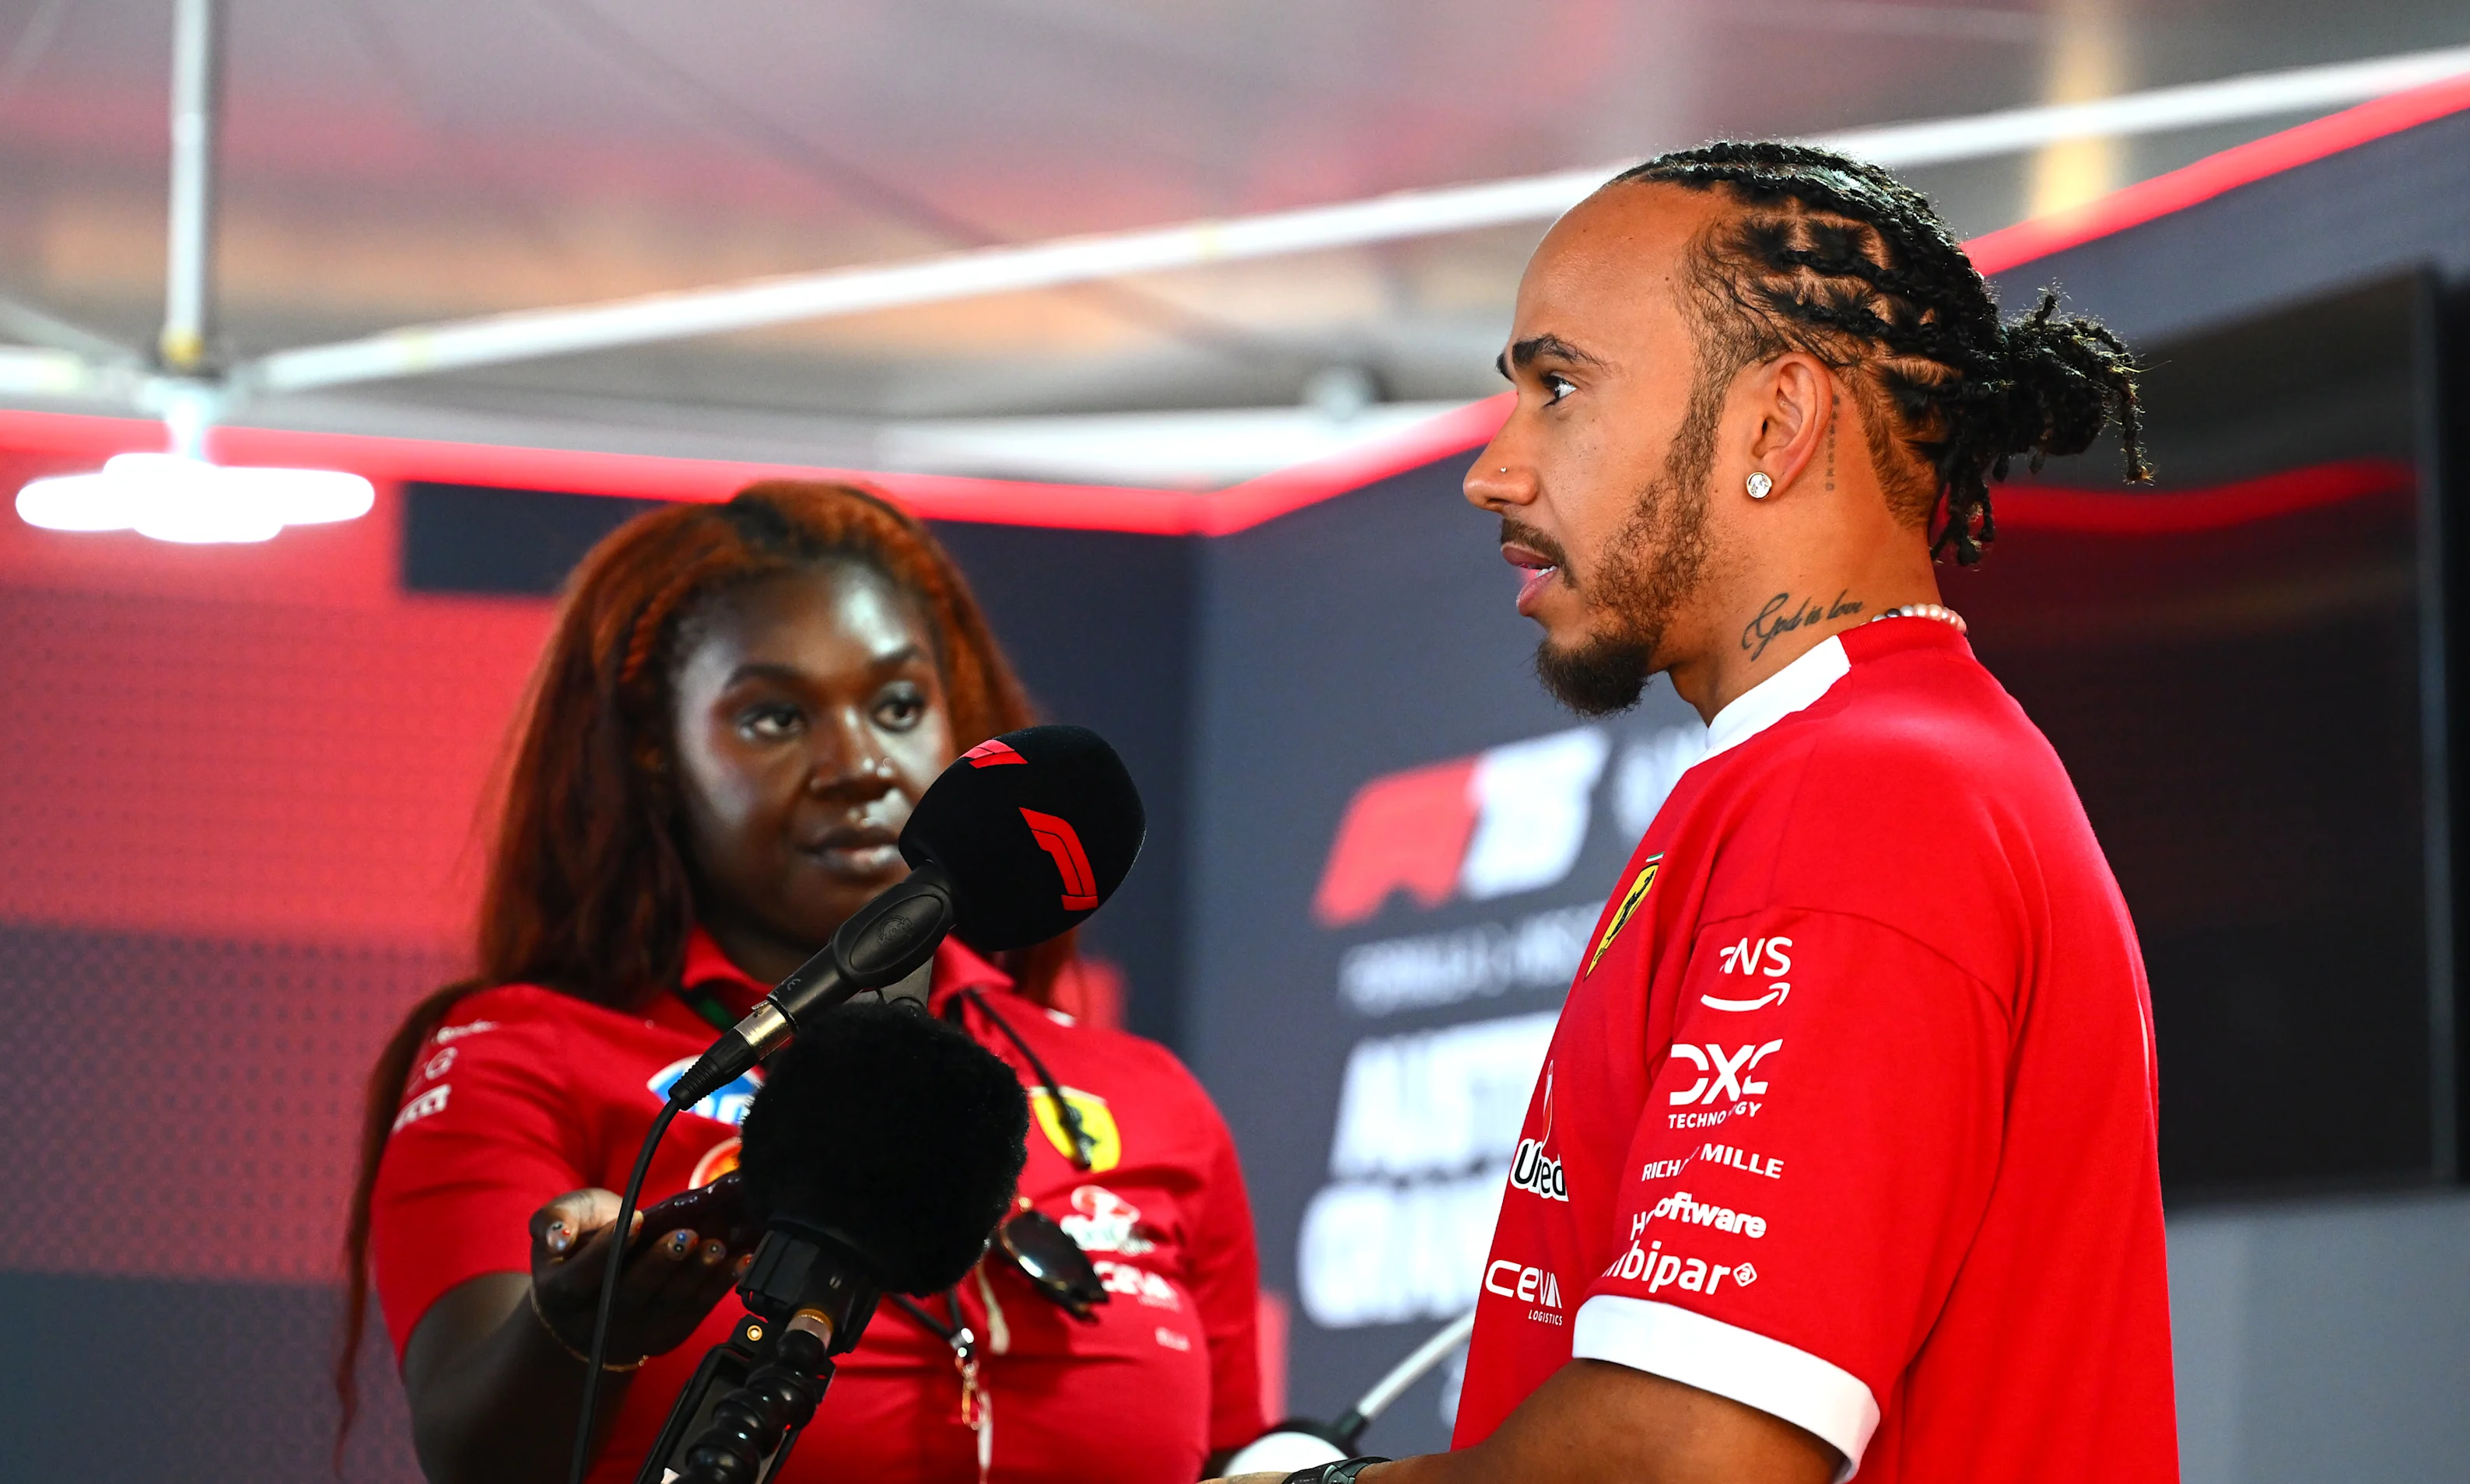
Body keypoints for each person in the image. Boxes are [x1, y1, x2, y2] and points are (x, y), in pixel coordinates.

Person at [1222, 142, 2177, 1484]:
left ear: (1775, 424)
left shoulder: (1864, 794)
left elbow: (1680, 1462)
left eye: (1560, 388)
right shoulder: (1865, 768)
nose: (1493, 470)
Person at [338, 481, 1268, 1484]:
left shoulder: (1149, 1098)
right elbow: (471, 1454)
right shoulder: (524, 1055)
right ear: (659, 758)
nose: (860, 763)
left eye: (900, 705)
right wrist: (582, 1328)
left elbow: (1234, 1460)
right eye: (777, 718)